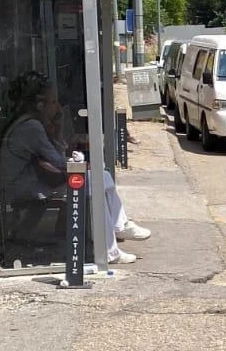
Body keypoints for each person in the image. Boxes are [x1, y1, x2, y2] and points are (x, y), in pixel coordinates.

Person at [0, 72, 150, 264]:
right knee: (95, 182)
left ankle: (120, 226)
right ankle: (111, 246)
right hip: (21, 186)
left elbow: (56, 154)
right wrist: (67, 139)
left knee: (99, 177)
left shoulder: (31, 123)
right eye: (53, 102)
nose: (58, 107)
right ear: (40, 104)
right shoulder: (32, 128)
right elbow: (59, 161)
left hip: (29, 181)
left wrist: (59, 130)